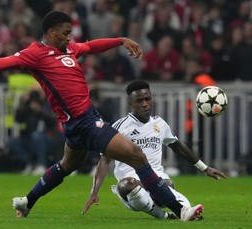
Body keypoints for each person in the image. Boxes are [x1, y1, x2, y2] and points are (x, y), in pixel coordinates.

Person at [0, 11, 204, 221]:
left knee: (66, 166)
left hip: (76, 125)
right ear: (50, 32)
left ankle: (27, 202)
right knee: (137, 156)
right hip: (86, 123)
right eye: (65, 33)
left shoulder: (70, 50)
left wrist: (120, 40)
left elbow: (92, 47)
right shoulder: (34, 54)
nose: (69, 37)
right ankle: (179, 210)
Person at [82, 80, 227, 220]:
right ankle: (163, 215)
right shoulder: (120, 127)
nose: (145, 104)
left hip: (155, 180)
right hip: (131, 185)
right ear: (130, 103)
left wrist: (204, 168)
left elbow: (177, 146)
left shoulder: (160, 124)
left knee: (168, 184)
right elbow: (105, 159)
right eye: (139, 101)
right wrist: (94, 192)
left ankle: (185, 212)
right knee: (128, 185)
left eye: (147, 99)